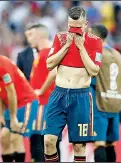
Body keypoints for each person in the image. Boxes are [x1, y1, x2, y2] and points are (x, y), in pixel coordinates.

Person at [43, 6, 102, 162]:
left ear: (86, 24)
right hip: (59, 94)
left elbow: (94, 71)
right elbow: (49, 65)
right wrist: (66, 47)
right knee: (48, 140)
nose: (74, 30)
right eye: (71, 26)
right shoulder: (60, 38)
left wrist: (81, 47)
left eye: (78, 27)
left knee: (79, 146)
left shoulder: (95, 42)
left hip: (81, 96)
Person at [0, 36, 39, 162]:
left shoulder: (1, 64)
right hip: (11, 105)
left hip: (26, 102)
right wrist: (1, 115)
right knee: (4, 137)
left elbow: (12, 92)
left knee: (16, 138)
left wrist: (13, 116)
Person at [88, 24, 121, 162]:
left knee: (99, 143)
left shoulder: (96, 53)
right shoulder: (117, 54)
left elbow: (91, 78)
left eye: (89, 34)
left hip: (99, 103)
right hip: (114, 102)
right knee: (111, 143)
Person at [27, 23, 57, 162]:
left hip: (45, 103)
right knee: (45, 141)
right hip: (43, 103)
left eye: (31, 35)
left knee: (40, 139)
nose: (29, 38)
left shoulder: (47, 52)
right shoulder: (43, 53)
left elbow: (54, 73)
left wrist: (41, 90)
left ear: (40, 36)